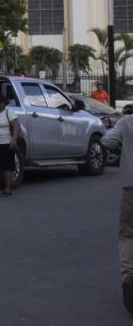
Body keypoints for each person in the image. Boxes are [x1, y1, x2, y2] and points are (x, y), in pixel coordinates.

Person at [102, 114, 133, 314]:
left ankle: (128, 276)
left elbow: (107, 141)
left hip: (131, 188)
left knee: (128, 234)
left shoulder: (127, 121)